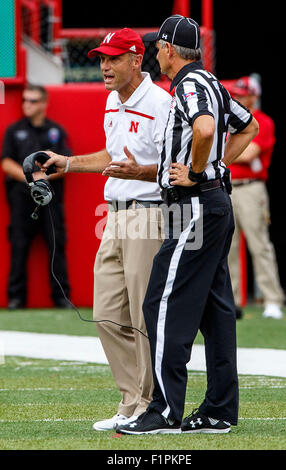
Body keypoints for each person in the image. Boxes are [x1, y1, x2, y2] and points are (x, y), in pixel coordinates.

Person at [115, 15, 259, 435]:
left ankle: (163, 409)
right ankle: (218, 410)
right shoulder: (211, 82)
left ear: (169, 50)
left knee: (160, 301)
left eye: (157, 47)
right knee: (216, 313)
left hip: (193, 205)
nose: (155, 54)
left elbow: (206, 127)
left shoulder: (190, 85)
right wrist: (215, 168)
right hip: (211, 203)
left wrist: (199, 172)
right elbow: (247, 125)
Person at [38, 28, 171, 431]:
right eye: (101, 58)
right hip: (114, 213)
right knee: (106, 312)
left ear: (136, 59)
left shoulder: (163, 103)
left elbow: (175, 165)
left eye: (113, 58)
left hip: (149, 213)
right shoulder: (113, 100)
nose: (104, 66)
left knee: (141, 314)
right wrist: (69, 162)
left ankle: (148, 403)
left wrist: (141, 172)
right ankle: (131, 397)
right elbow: (113, 156)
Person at [1, 84, 71, 310]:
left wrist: (43, 178)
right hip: (21, 200)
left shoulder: (56, 131)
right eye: (24, 100)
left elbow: (65, 163)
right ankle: (16, 298)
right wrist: (30, 178)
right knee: (19, 246)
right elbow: (6, 162)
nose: (26, 105)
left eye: (32, 101)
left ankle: (61, 298)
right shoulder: (14, 131)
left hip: (50, 201)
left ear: (43, 104)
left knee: (56, 247)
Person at [227, 76, 285, 319]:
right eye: (236, 94)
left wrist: (218, 151)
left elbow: (249, 153)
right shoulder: (228, 121)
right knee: (227, 248)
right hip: (227, 187)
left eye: (242, 94)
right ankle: (231, 301)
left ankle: (272, 299)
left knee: (259, 245)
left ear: (254, 96)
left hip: (251, 188)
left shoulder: (262, 121)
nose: (237, 98)